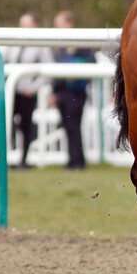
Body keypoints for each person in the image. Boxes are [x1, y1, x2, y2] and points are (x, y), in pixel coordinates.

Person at [3, 13, 54, 169]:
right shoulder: (13, 43)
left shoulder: (40, 45)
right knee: (4, 124)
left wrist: (32, 88)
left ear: (35, 25)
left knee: (26, 126)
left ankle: (23, 160)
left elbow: (48, 69)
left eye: (26, 24)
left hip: (26, 93)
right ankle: (0, 160)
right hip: (11, 92)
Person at [50, 10, 96, 170]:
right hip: (62, 91)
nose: (56, 28)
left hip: (76, 91)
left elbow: (90, 62)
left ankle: (78, 161)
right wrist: (54, 92)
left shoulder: (80, 41)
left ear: (69, 24)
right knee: (67, 126)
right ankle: (72, 160)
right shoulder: (58, 45)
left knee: (74, 126)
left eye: (59, 24)